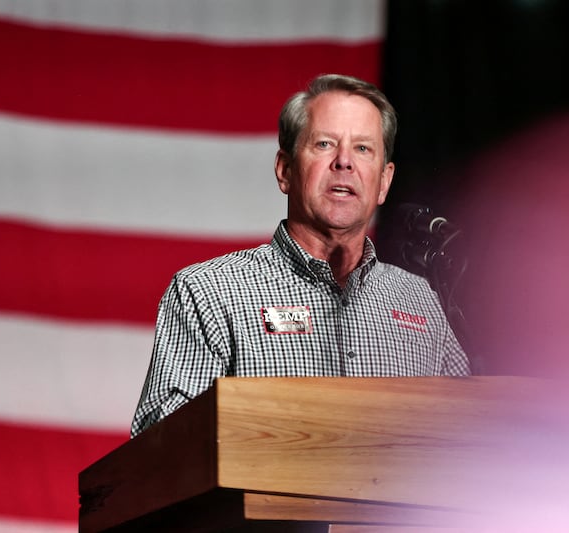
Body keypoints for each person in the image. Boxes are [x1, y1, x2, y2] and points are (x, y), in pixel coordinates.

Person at [131, 74, 470, 437]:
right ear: (285, 170)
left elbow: (472, 439)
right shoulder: (208, 292)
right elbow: (160, 446)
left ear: (384, 182)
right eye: (324, 144)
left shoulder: (420, 300)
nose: (344, 162)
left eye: (363, 149)